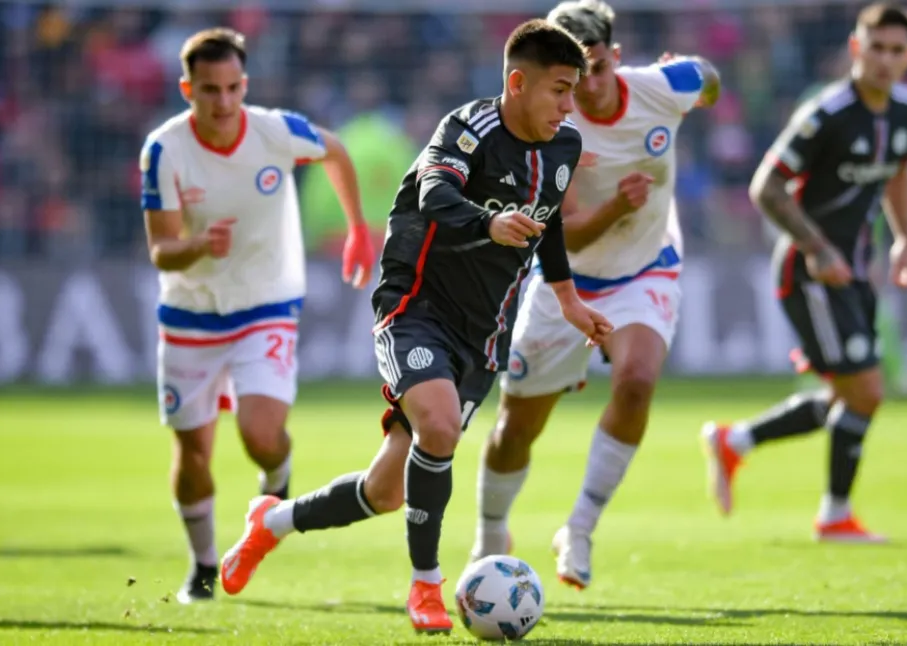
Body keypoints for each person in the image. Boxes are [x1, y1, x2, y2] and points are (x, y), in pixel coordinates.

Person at [218, 19, 611, 635]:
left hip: (484, 334)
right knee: (440, 425)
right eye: (560, 90)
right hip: (415, 308)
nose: (569, 106)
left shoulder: (563, 146)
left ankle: (271, 522)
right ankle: (426, 585)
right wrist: (489, 222)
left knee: (387, 490)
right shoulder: (467, 129)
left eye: (573, 92)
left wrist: (568, 299)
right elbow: (434, 194)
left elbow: (550, 219)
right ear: (517, 83)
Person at [468, 0, 720, 590]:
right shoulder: (547, 127)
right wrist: (616, 207)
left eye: (600, 68)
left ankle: (579, 528)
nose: (590, 86)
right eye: (576, 76)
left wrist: (697, 80)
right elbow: (565, 234)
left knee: (636, 381)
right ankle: (490, 534)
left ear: (617, 57)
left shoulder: (662, 89)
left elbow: (708, 77)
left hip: (645, 271)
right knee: (514, 429)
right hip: (567, 284)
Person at [140, 27, 375, 604]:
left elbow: (335, 150)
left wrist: (356, 230)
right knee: (193, 453)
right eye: (209, 90)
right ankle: (202, 565)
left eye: (232, 88)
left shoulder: (275, 131)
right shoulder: (164, 150)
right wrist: (199, 246)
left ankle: (277, 478)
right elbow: (161, 250)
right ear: (187, 89)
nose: (223, 102)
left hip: (266, 304)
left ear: (244, 84)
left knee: (260, 433)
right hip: (191, 314)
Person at [701, 2, 907, 543]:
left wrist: (904, 239)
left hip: (856, 269)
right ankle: (834, 515)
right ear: (856, 48)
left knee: (852, 393)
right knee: (866, 390)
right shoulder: (826, 113)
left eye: (896, 50)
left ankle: (735, 441)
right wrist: (818, 249)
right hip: (810, 272)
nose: (885, 60)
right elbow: (766, 186)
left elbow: (898, 171)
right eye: (876, 48)